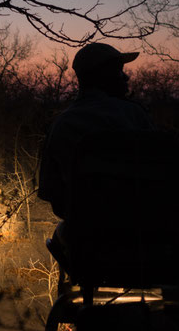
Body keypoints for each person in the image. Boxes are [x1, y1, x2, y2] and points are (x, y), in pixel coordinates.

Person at [38, 42, 154, 281]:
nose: (126, 77)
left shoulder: (63, 124)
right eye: (119, 71)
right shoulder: (137, 116)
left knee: (62, 232)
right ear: (103, 76)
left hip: (90, 245)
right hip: (149, 241)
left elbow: (54, 198)